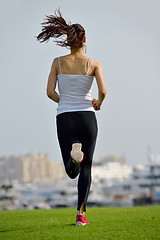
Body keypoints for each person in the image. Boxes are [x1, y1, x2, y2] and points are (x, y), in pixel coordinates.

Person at [37, 9, 106, 226]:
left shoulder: (57, 62)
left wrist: (64, 101)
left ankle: (73, 158)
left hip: (65, 116)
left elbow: (49, 92)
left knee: (71, 170)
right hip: (87, 116)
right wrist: (98, 103)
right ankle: (80, 215)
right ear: (84, 40)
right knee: (87, 167)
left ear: (68, 41)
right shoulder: (93, 63)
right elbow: (103, 92)